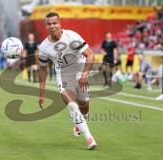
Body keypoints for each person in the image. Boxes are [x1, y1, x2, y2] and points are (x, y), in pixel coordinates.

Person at [38, 12, 97, 150]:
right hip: (63, 75)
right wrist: (41, 93)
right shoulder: (44, 47)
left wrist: (84, 75)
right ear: (46, 26)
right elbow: (42, 69)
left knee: (84, 107)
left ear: (60, 24)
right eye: (49, 24)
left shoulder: (72, 37)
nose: (52, 26)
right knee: (73, 106)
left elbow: (90, 56)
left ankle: (78, 123)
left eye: (55, 23)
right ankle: (89, 138)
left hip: (79, 72)